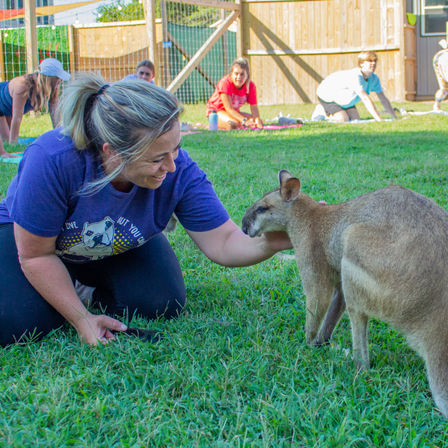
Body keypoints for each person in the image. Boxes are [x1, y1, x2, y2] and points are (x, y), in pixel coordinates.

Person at [0, 73, 290, 347]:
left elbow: (225, 241)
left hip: (109, 244)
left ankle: (80, 286)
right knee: (21, 320)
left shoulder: (178, 169)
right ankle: (64, 289)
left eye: (175, 149)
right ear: (110, 151)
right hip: (34, 244)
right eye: (157, 159)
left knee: (161, 301)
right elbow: (36, 254)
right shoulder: (52, 158)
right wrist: (80, 319)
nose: (171, 166)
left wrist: (274, 240)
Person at [0, 58, 70, 150]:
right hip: (2, 104)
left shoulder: (53, 88)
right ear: (48, 78)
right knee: (8, 143)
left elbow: (55, 115)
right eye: (58, 77)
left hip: (7, 109)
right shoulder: (23, 86)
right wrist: (14, 144)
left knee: (6, 140)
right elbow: (17, 117)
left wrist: (59, 137)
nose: (60, 80)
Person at [315, 51, 397, 122]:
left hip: (344, 100)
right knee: (343, 119)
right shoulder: (356, 76)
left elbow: (383, 98)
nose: (373, 63)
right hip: (327, 96)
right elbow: (365, 98)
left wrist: (394, 117)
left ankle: (337, 111)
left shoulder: (374, 78)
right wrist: (379, 119)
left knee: (355, 119)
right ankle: (322, 111)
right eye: (370, 60)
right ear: (361, 63)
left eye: (375, 60)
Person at [206, 57, 263, 130]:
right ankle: (213, 124)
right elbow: (229, 108)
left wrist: (258, 123)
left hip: (233, 112)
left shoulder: (250, 86)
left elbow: (254, 108)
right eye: (236, 74)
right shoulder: (225, 83)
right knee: (233, 124)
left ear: (247, 75)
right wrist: (244, 120)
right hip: (216, 111)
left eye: (242, 74)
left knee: (256, 121)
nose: (239, 77)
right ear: (231, 74)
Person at [432, 41, 448, 111]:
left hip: (440, 58)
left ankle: (437, 106)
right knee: (444, 89)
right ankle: (437, 106)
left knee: (444, 89)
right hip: (443, 58)